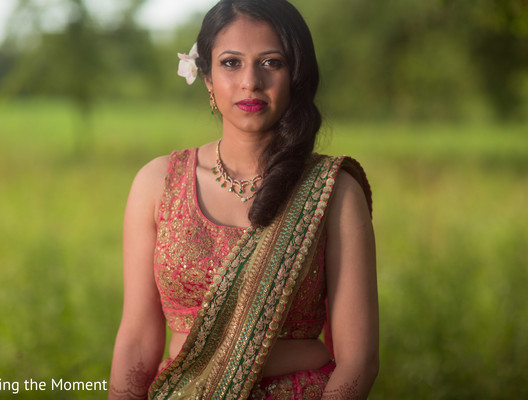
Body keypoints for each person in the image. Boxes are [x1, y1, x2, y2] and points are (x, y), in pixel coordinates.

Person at [108, 0, 379, 399]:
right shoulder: (157, 184)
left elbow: (360, 360)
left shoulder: (333, 190)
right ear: (207, 78)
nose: (250, 81)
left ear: (296, 74)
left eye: (271, 63)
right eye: (231, 63)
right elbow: (136, 340)